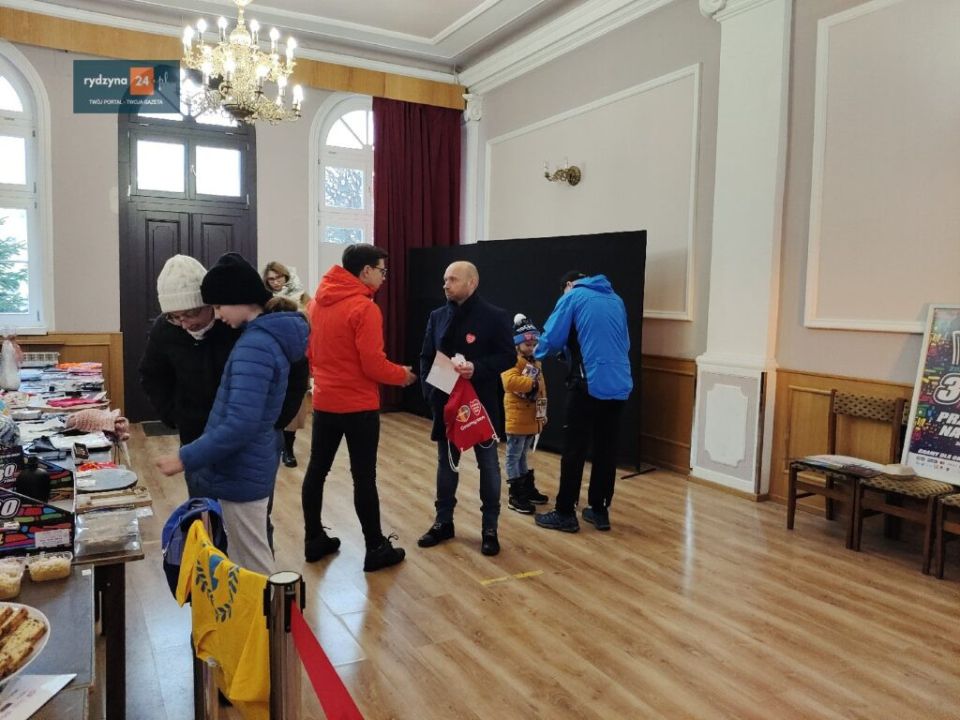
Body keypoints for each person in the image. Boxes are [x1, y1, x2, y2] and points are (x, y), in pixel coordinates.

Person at [155, 252, 309, 575]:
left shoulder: (254, 345)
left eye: (218, 305)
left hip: (241, 465)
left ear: (238, 299)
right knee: (239, 555)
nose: (217, 313)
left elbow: (241, 423)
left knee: (250, 564)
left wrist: (184, 457)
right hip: (236, 459)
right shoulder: (259, 337)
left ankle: (263, 610)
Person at [301, 244, 416, 572]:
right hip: (358, 407)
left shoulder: (315, 304)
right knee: (364, 477)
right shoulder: (364, 308)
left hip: (325, 402)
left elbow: (310, 354)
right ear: (365, 271)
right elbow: (373, 365)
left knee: (317, 470)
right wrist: (402, 375)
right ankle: (375, 547)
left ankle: (313, 539)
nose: (384, 277)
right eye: (381, 270)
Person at [418, 261, 515, 556]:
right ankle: (443, 522)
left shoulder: (495, 316)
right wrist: (430, 393)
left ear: (472, 283)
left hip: (480, 404)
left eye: (453, 279)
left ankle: (489, 528)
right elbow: (426, 356)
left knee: (488, 465)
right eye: (445, 279)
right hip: (445, 403)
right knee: (447, 465)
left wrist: (478, 368)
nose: (445, 285)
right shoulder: (437, 316)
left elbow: (508, 356)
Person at [533, 271, 632, 533]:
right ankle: (599, 510)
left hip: (588, 383)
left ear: (569, 284)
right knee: (606, 449)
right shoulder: (616, 299)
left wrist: (536, 353)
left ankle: (565, 512)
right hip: (620, 382)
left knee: (574, 449)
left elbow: (551, 338)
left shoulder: (573, 296)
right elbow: (625, 343)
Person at [140, 255, 241, 497]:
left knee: (246, 513)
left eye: (191, 314)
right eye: (175, 317)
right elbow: (152, 375)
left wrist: (277, 421)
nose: (185, 324)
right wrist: (174, 415)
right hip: (194, 435)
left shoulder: (234, 323)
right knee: (200, 507)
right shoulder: (165, 328)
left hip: (240, 438)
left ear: (209, 304)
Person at [263, 260, 311, 468]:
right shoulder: (264, 300)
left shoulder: (303, 296)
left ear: (286, 276)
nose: (275, 282)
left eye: (279, 277)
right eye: (271, 279)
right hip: (273, 356)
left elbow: (311, 324)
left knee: (295, 406)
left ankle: (288, 448)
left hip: (297, 356)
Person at [501, 314, 549, 514]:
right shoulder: (511, 360)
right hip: (517, 418)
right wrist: (532, 384)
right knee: (513, 456)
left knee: (522, 455)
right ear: (517, 344)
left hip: (530, 418)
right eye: (527, 344)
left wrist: (542, 413)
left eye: (534, 344)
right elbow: (509, 382)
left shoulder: (535, 362)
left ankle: (526, 488)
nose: (531, 348)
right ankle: (515, 495)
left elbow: (542, 390)